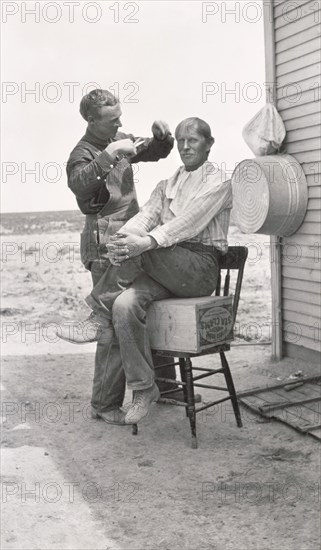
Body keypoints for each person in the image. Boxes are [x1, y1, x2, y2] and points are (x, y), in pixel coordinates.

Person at [63, 117, 233, 425]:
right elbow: (147, 216)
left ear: (209, 144)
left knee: (140, 251)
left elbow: (187, 223)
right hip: (165, 265)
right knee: (125, 304)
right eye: (180, 140)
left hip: (198, 268)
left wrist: (144, 242)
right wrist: (123, 238)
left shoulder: (219, 182)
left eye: (192, 140)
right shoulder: (167, 184)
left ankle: (97, 315)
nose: (184, 146)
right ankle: (144, 388)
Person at [62, 89, 175, 425]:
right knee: (112, 325)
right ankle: (105, 404)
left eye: (120, 117)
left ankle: (167, 387)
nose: (121, 123)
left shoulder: (120, 137)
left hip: (132, 238)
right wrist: (110, 154)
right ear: (91, 120)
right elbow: (80, 185)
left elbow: (152, 151)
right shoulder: (81, 153)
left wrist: (162, 139)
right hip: (103, 244)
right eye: (113, 120)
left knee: (142, 309)